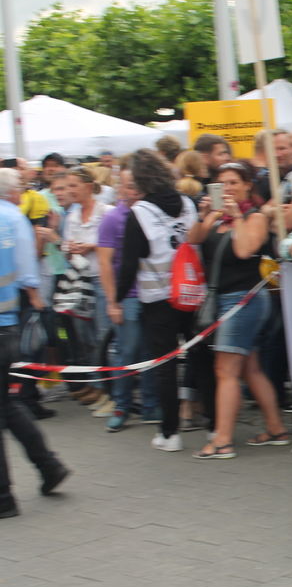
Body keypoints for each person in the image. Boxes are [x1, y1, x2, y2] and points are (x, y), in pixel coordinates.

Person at [186, 161, 289, 459]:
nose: (228, 188)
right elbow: (194, 239)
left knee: (225, 369)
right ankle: (276, 428)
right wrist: (204, 215)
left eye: (234, 182)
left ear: (247, 185)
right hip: (223, 300)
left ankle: (222, 441)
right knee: (250, 368)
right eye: (222, 183)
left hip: (244, 300)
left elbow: (245, 249)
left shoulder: (253, 217)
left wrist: (237, 216)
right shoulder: (217, 218)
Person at [116, 149, 199, 452]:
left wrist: (116, 299)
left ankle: (170, 432)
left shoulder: (139, 212)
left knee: (166, 365)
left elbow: (128, 263)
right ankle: (216, 424)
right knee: (200, 358)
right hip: (191, 293)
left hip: (158, 298)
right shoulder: (188, 204)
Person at [0, 168, 70, 518]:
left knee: (6, 406)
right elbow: (29, 274)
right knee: (7, 406)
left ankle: (4, 497)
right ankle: (49, 466)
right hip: (11, 321)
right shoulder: (17, 221)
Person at [99, 165, 161, 431]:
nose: (132, 191)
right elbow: (104, 263)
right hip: (130, 297)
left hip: (152, 295)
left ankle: (149, 406)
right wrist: (113, 302)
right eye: (128, 185)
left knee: (150, 352)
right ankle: (121, 405)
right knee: (127, 353)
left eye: (137, 185)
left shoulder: (149, 214)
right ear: (120, 188)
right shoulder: (113, 218)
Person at [61, 166, 113, 413]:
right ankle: (96, 383)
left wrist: (91, 246)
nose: (70, 190)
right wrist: (69, 248)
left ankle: (109, 389)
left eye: (73, 185)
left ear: (88, 186)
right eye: (67, 186)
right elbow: (65, 247)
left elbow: (113, 245)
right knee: (87, 336)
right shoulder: (72, 215)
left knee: (104, 335)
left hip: (102, 280)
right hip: (81, 281)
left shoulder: (105, 211)